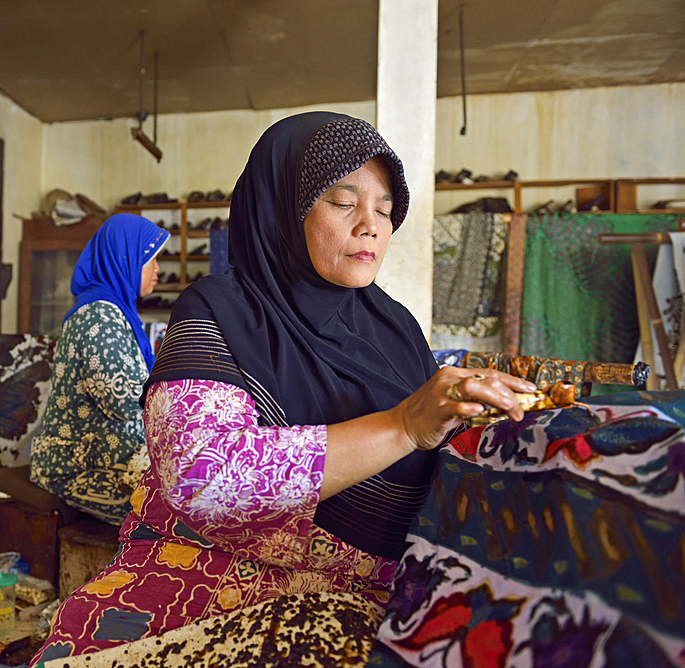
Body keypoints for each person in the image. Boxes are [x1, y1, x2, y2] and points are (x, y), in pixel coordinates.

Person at [32, 113, 537, 663]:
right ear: (281, 209)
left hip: (368, 592)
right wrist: (402, 426)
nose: (371, 224)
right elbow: (205, 477)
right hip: (211, 571)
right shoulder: (219, 312)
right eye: (344, 202)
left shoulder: (395, 329)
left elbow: (441, 454)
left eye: (386, 210)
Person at [29, 213, 170, 524]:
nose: (158, 270)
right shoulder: (98, 317)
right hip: (77, 465)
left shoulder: (117, 312)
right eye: (151, 259)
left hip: (112, 457)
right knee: (172, 512)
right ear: (126, 260)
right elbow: (124, 399)